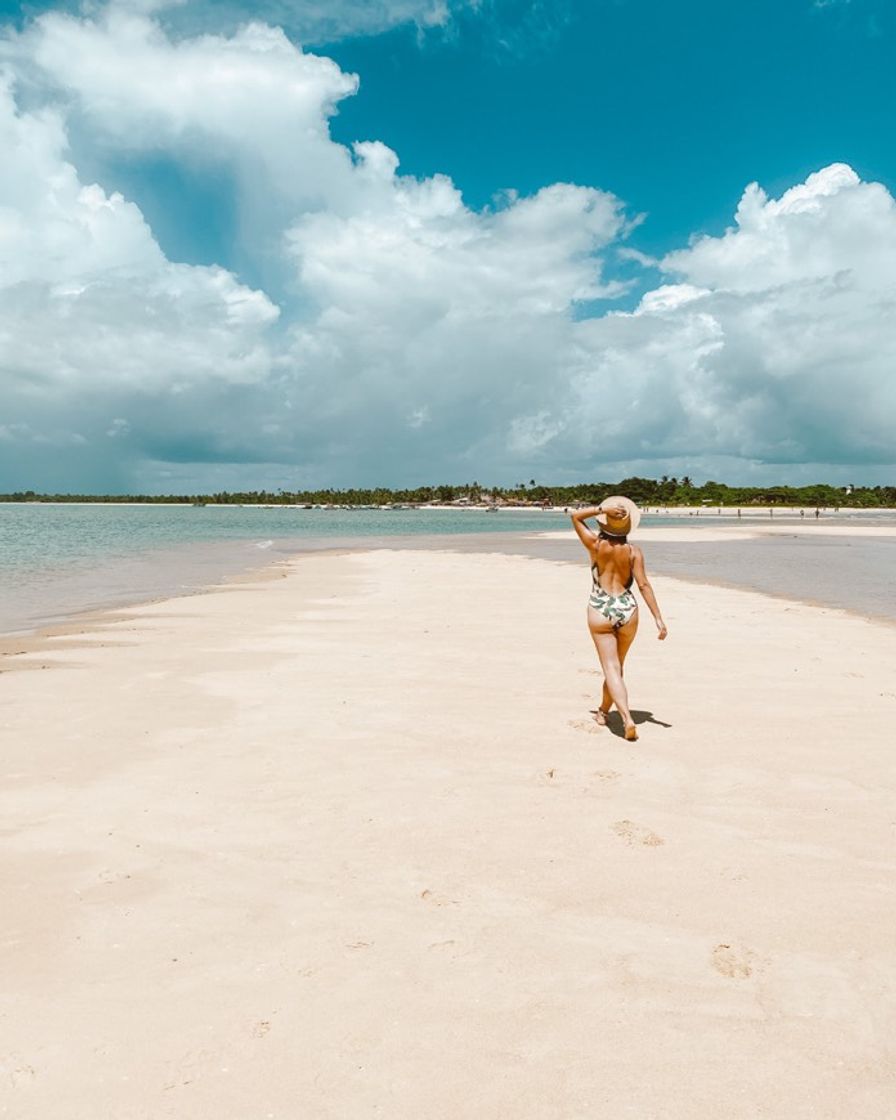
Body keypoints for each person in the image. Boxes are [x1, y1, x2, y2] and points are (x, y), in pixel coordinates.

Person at [570, 496, 667, 740]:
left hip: (600, 607)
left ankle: (626, 718)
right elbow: (643, 585)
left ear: (604, 522)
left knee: (611, 668)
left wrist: (602, 509)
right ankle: (603, 711)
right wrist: (658, 618)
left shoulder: (595, 544)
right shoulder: (634, 552)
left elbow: (575, 516)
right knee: (617, 667)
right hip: (627, 608)